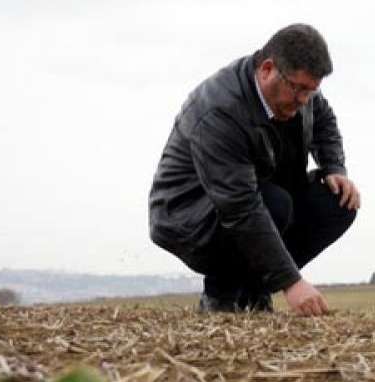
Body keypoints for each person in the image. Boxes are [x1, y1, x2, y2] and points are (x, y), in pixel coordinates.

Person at [148, 24, 360, 316]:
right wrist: (291, 282)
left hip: (259, 197)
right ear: (267, 69)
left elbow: (323, 119)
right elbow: (239, 206)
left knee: (337, 200)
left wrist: (334, 166)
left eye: (311, 91)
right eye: (298, 88)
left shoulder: (301, 95)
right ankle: (222, 295)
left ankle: (254, 290)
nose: (303, 100)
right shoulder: (219, 110)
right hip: (190, 216)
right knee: (273, 203)